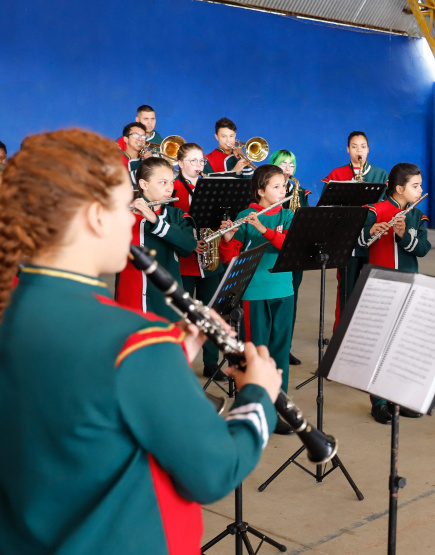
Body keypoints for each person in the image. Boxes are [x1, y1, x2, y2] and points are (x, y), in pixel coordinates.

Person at [0, 128, 282, 553]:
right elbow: (215, 471)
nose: (131, 218)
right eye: (123, 205)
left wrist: (171, 358)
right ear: (96, 217)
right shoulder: (135, 342)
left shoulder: (14, 310)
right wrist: (258, 396)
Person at [218, 164, 296, 436]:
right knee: (254, 352)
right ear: (260, 190)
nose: (281, 191)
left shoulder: (287, 215)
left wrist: (264, 229)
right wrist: (227, 238)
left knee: (280, 352)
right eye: (276, 186)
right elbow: (229, 257)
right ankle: (251, 410)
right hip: (253, 293)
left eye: (283, 186)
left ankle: (277, 409)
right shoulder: (245, 215)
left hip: (284, 291)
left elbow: (286, 245)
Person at [357, 162, 431, 424]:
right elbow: (355, 243)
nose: (420, 189)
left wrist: (402, 235)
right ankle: (378, 401)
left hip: (409, 284)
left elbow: (422, 248)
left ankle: (398, 398)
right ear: (399, 189)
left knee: (403, 344)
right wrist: (370, 232)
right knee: (380, 344)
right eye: (415, 186)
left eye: (419, 185)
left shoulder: (417, 215)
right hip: (381, 287)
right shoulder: (375, 210)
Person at [115, 157, 197, 320]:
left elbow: (189, 245)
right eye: (163, 182)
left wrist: (155, 220)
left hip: (167, 304)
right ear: (144, 184)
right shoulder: (124, 215)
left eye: (171, 182)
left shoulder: (177, 215)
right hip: (131, 300)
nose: (169, 188)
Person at [323, 131, 389, 328]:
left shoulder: (381, 174)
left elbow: (385, 205)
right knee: (346, 287)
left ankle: (364, 331)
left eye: (362, 146)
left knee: (371, 286)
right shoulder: (336, 174)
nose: (358, 150)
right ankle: (341, 331)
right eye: (354, 146)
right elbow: (328, 206)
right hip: (348, 239)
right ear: (347, 149)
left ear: (368, 149)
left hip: (373, 236)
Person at [173, 142, 227, 381]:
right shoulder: (172, 187)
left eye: (201, 161)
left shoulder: (212, 186)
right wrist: (190, 242)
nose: (198, 165)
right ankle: (177, 362)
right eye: (192, 161)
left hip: (209, 259)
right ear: (180, 163)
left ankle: (210, 363)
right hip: (184, 260)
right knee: (182, 314)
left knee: (211, 311)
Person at [269, 149, 310, 366]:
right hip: (274, 247)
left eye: (291, 164)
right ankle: (268, 346)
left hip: (295, 249)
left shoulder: (300, 191)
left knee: (291, 299)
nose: (288, 168)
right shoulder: (269, 190)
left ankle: (285, 347)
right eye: (283, 163)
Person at [119, 122, 147, 186]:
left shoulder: (144, 161)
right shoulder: (116, 159)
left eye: (143, 136)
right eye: (135, 135)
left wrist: (149, 162)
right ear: (125, 139)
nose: (140, 139)